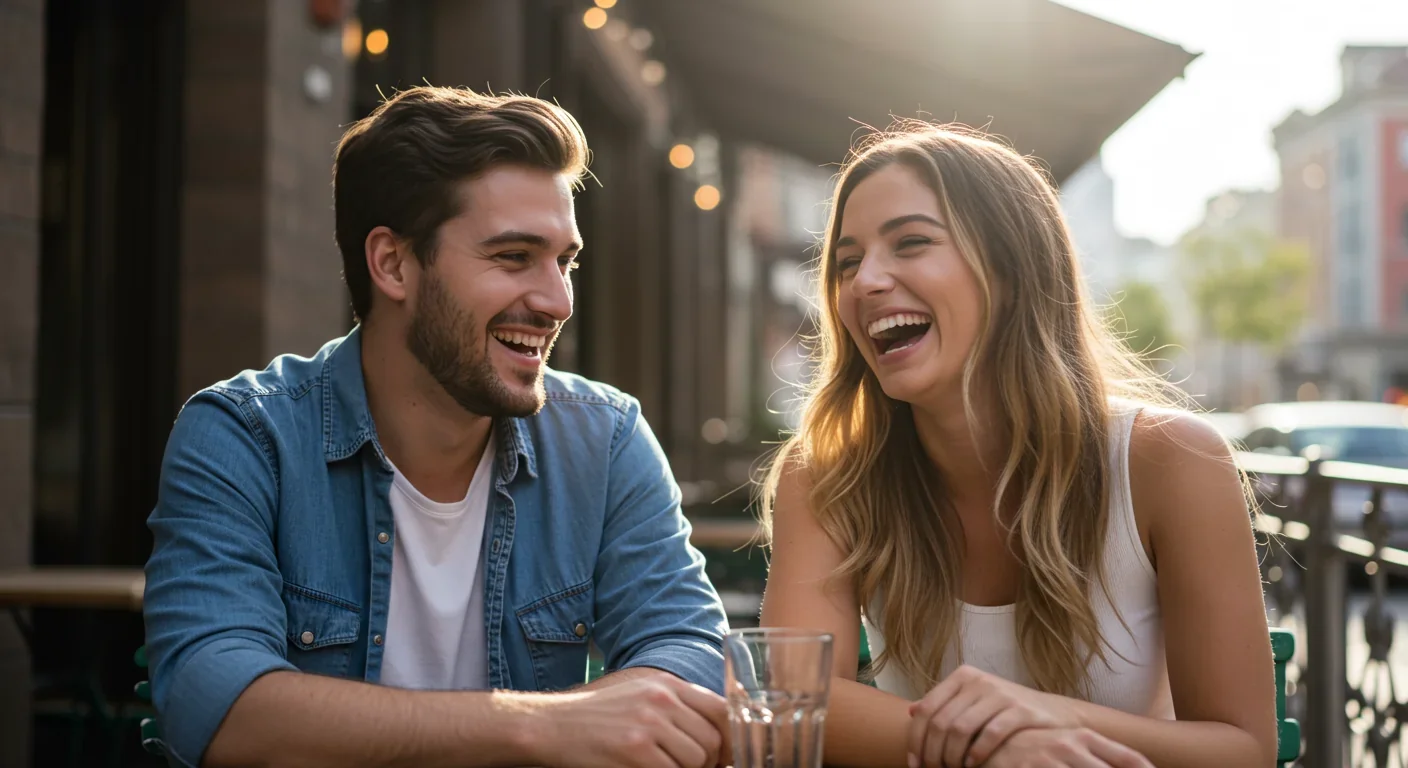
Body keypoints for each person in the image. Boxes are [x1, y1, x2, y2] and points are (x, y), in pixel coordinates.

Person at [143, 86, 730, 768]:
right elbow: (215, 706)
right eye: (514, 257)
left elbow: (693, 652)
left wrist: (633, 706)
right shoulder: (245, 437)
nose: (557, 300)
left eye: (565, 261)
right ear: (392, 263)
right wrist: (540, 727)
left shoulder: (604, 439)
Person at [756, 123, 1278, 768]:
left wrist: (1052, 717)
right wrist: (999, 747)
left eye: (911, 242)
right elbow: (791, 700)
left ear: (1013, 269)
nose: (864, 283)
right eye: (847, 261)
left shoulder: (1171, 460)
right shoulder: (829, 475)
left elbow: (1243, 748)